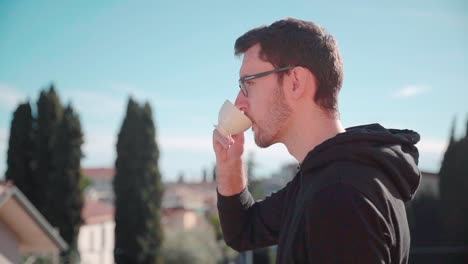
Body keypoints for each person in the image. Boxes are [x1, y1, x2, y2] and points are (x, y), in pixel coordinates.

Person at [212, 17, 421, 263]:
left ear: (295, 83)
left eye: (249, 83)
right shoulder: (322, 176)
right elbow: (243, 232)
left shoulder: (339, 197)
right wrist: (229, 164)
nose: (239, 102)